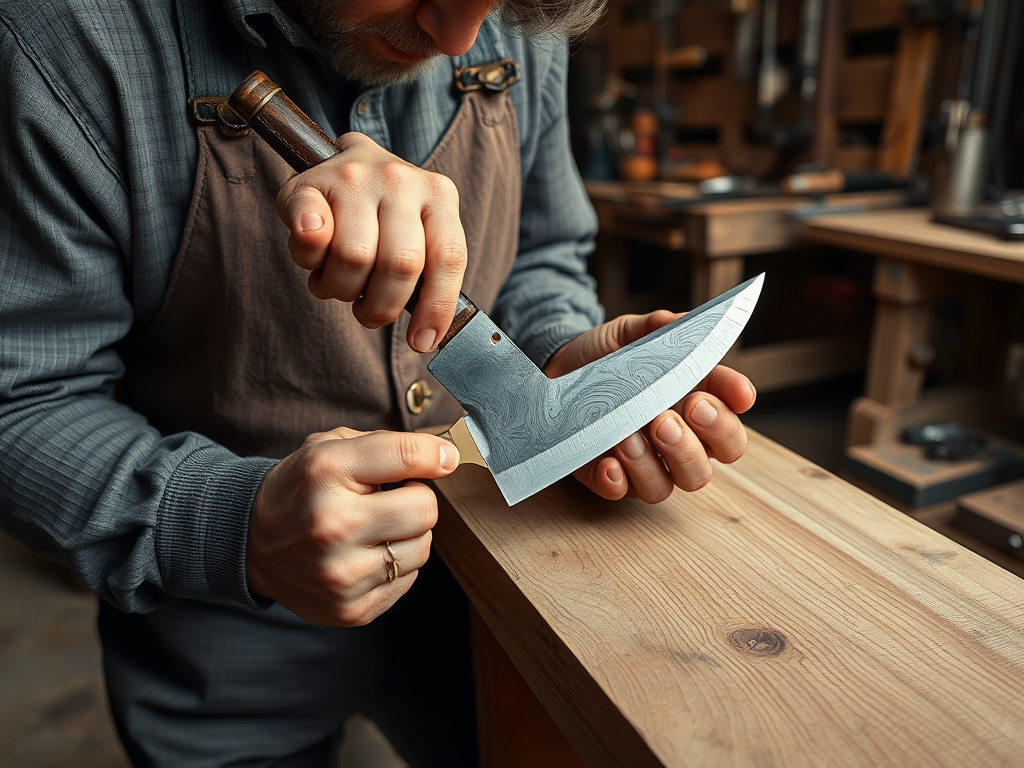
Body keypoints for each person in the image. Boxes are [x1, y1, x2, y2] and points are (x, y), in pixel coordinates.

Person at [0, 0, 756, 765]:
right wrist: (234, 525)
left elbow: (544, 252)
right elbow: (22, 397)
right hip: (219, 645)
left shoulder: (517, 20)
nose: (462, 35)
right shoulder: (63, 36)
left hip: (491, 594)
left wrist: (555, 355)